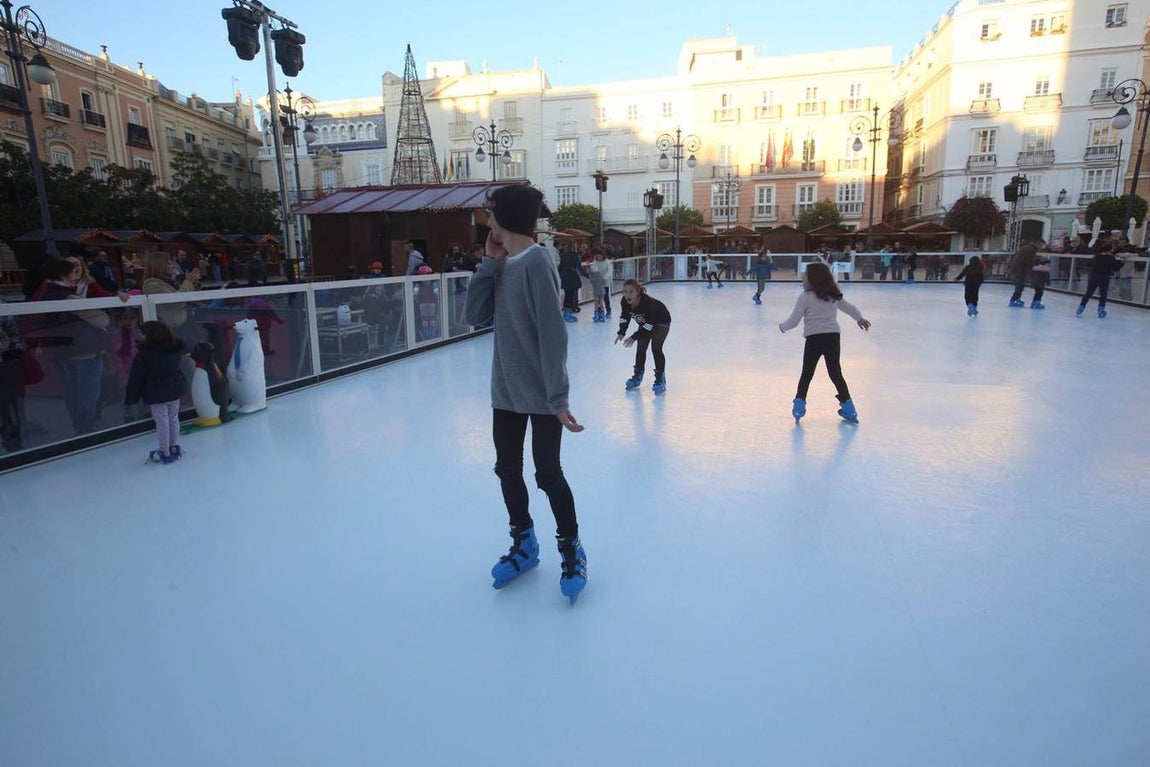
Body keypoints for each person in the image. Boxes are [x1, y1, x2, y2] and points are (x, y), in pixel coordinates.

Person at [462, 184, 587, 604]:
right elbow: (473, 315)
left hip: (542, 393)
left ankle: (571, 547)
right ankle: (525, 543)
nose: (487, 219)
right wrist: (488, 265)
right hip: (505, 391)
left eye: (490, 212)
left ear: (506, 216)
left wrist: (558, 397)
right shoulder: (502, 263)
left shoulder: (537, 261)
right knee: (507, 470)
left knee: (548, 474)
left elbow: (553, 333)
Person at [778, 261, 871, 425]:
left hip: (814, 339)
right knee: (835, 373)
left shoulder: (805, 297)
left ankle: (799, 406)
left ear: (812, 278)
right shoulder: (833, 295)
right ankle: (849, 408)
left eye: (805, 275)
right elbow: (849, 308)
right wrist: (860, 318)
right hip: (832, 337)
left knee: (807, 373)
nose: (803, 277)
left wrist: (782, 327)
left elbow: (794, 321)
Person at [32, 258, 111, 435]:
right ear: (64, 275)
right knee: (87, 394)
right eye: (73, 272)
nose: (76, 275)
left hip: (63, 351)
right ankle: (86, 431)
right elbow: (101, 320)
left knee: (73, 394)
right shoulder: (67, 296)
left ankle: (80, 429)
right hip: (83, 351)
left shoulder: (47, 293)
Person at [124, 320, 186, 464]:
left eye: (142, 333)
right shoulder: (174, 350)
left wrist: (131, 397)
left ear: (150, 335)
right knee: (173, 418)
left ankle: (164, 451)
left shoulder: (144, 355)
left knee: (162, 422)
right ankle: (174, 447)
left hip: (157, 393)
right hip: (174, 388)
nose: (138, 335)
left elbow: (136, 378)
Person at [615, 279, 672, 394]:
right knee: (641, 348)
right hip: (646, 323)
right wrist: (621, 332)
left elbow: (649, 325)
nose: (628, 295)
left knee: (656, 347)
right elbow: (625, 316)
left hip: (661, 320)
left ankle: (660, 379)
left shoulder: (647, 303)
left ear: (638, 292)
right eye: (625, 291)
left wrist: (634, 337)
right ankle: (638, 376)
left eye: (631, 292)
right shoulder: (624, 302)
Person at [1075, 247, 1125, 318]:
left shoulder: (1097, 257)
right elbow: (1116, 267)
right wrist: (1122, 262)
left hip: (1094, 276)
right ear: (1108, 251)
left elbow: (1088, 264)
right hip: (1104, 277)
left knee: (1088, 293)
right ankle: (1101, 311)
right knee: (1103, 294)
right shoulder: (1110, 258)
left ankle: (1080, 309)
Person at [1007, 237, 1038, 307]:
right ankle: (1013, 300)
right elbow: (1029, 262)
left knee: (1020, 285)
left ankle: (1016, 299)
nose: (1041, 247)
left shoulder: (1025, 247)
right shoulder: (1031, 250)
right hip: (1019, 270)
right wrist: (1034, 268)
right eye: (1041, 245)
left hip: (1016, 268)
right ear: (1036, 243)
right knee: (1020, 286)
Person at [558, 242, 585, 321]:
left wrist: (562, 276)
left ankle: (566, 313)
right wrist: (588, 275)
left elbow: (560, 268)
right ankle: (568, 314)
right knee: (571, 296)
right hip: (572, 278)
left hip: (565, 278)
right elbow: (579, 268)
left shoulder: (563, 255)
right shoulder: (575, 255)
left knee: (567, 295)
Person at [586, 248, 611, 322]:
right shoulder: (596, 262)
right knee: (598, 300)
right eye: (597, 256)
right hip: (598, 284)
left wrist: (604, 278)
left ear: (603, 256)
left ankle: (608, 310)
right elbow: (593, 269)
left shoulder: (607, 262)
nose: (598, 258)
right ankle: (599, 312)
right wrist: (589, 266)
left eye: (600, 256)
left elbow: (609, 271)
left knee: (605, 298)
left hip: (605, 283)